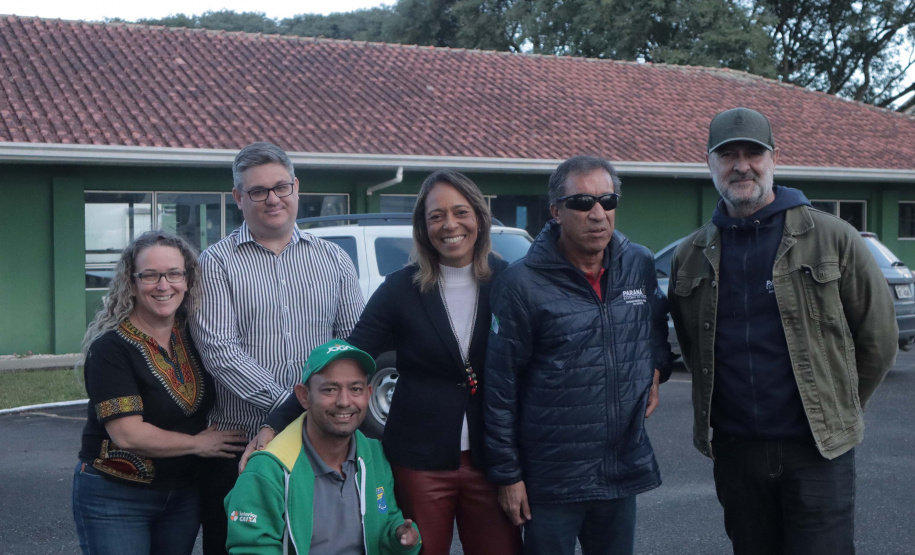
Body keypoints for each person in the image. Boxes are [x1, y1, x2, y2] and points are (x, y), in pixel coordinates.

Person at [249, 170, 522, 554]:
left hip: (492, 462)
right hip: (419, 463)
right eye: (436, 216)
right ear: (423, 227)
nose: (450, 225)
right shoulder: (400, 289)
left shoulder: (510, 283)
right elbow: (347, 356)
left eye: (460, 212)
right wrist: (276, 422)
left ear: (479, 216)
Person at [668, 107, 898, 555]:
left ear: (774, 158)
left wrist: (838, 406)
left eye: (753, 153)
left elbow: (878, 340)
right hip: (737, 454)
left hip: (816, 451)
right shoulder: (691, 255)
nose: (741, 165)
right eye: (727, 155)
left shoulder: (833, 237)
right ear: (709, 164)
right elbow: (694, 347)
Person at [484, 156, 672, 555]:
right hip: (552, 481)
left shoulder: (637, 263)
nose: (598, 214)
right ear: (556, 211)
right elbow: (500, 387)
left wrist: (656, 367)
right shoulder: (521, 283)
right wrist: (508, 476)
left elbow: (655, 325)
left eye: (607, 200)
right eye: (583, 202)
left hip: (621, 469)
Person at [190, 142, 364, 553]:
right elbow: (220, 350)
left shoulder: (334, 259)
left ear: (296, 188)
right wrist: (299, 405)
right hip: (242, 445)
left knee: (322, 544)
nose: (273, 199)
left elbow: (352, 345)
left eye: (281, 187)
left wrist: (317, 407)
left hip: (325, 445)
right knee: (239, 547)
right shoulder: (215, 264)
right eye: (258, 191)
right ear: (238, 198)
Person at [72, 231, 247, 555]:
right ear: (132, 282)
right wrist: (199, 444)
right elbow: (128, 434)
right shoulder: (111, 349)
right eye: (150, 275)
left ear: (188, 279)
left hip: (182, 494)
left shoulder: (196, 336)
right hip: (116, 495)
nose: (163, 285)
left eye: (173, 274)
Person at [225, 339, 421, 554]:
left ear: (368, 394)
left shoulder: (374, 455)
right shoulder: (266, 471)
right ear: (303, 396)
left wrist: (399, 537)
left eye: (355, 389)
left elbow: (385, 521)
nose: (344, 401)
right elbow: (251, 548)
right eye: (329, 389)